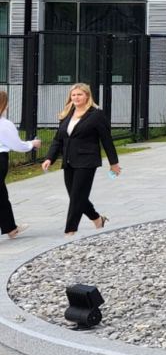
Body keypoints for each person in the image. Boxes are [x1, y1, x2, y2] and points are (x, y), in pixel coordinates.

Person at [41, 83, 120, 236]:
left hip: (87, 161)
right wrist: (49, 158)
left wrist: (114, 163)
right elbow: (58, 139)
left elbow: (106, 140)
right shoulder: (67, 114)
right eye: (73, 95)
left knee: (77, 196)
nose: (76, 97)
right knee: (76, 196)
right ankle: (97, 219)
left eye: (79, 94)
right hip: (69, 161)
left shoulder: (96, 115)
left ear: (87, 96)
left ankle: (70, 231)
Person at [0, 89, 40, 238]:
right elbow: (17, 145)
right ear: (5, 104)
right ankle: (10, 228)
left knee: (1, 194)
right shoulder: (4, 124)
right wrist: (32, 144)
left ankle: (10, 228)